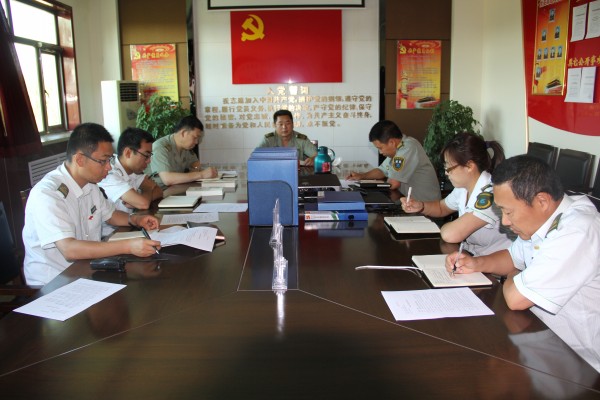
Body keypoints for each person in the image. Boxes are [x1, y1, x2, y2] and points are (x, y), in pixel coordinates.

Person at [446, 155, 600, 371]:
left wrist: (514, 275)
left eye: (508, 212)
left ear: (542, 201)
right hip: (541, 339)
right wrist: (476, 263)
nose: (505, 221)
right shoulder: (543, 219)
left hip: (581, 362)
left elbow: (516, 299)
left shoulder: (577, 230)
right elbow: (512, 257)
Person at [22, 123, 161, 286]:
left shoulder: (90, 184)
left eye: (110, 160)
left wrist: (135, 219)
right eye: (103, 161)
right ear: (80, 159)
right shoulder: (48, 194)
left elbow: (111, 215)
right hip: (54, 281)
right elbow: (69, 249)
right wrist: (129, 246)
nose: (109, 167)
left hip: (87, 268)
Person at [401, 132, 513, 256]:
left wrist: (445, 227)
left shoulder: (490, 194)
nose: (446, 173)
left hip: (494, 263)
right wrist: (421, 206)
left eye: (449, 168)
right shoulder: (464, 187)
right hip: (472, 255)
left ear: (469, 166)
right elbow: (441, 207)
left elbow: (451, 235)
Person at [346, 120, 441, 201]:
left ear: (392, 142)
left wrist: (366, 188)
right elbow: (382, 170)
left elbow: (393, 184)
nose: (380, 152)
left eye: (380, 148)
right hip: (410, 203)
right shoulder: (398, 149)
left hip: (427, 207)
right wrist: (362, 176)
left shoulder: (408, 148)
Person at [99, 127, 163, 212]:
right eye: (146, 156)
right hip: (118, 220)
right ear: (128, 153)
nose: (149, 161)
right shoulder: (109, 174)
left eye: (150, 156)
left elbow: (159, 191)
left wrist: (140, 198)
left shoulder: (134, 170)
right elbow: (143, 204)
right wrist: (148, 189)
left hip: (132, 218)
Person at [147, 115, 217, 186]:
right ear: (183, 133)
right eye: (195, 138)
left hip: (177, 187)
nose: (196, 142)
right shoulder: (160, 147)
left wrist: (198, 170)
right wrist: (201, 174)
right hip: (159, 190)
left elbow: (196, 165)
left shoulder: (187, 148)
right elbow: (167, 179)